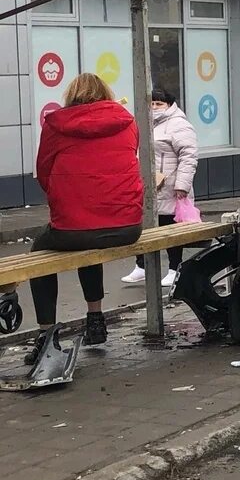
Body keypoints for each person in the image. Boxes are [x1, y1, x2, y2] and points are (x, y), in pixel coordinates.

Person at [28, 74, 143, 356]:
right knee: (91, 240)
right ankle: (95, 321)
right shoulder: (126, 121)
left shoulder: (56, 125)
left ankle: (46, 336)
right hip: (127, 226)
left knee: (39, 253)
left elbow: (43, 172)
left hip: (73, 229)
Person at [122, 87, 199, 289]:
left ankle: (174, 269)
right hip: (151, 185)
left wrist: (182, 185)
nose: (155, 107)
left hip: (171, 185)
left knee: (169, 228)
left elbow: (188, 156)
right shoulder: (146, 123)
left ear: (169, 105)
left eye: (159, 104)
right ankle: (141, 265)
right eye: (152, 103)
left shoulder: (179, 125)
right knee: (144, 225)